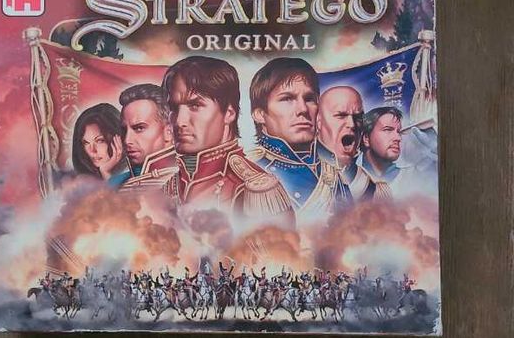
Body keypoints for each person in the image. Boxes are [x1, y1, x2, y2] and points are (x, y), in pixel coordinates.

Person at [161, 56, 294, 227]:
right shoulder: (169, 188)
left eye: (195, 106)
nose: (179, 121)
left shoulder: (258, 191)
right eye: (173, 108)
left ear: (229, 113)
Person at [249, 58, 345, 221]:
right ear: (260, 114)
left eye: (309, 99)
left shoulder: (333, 174)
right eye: (287, 99)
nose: (303, 109)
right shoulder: (248, 172)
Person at [317, 86, 390, 201]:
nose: (352, 124)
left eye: (358, 117)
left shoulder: (373, 189)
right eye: (341, 115)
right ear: (318, 122)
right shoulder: (299, 174)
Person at [118, 83, 178, 189]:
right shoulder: (115, 184)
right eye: (124, 130)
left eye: (139, 128)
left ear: (169, 131)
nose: (127, 140)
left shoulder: (190, 182)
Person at [71, 103, 129, 186]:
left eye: (100, 141)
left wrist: (106, 172)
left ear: (119, 138)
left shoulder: (133, 174)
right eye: (86, 143)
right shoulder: (80, 182)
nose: (92, 151)